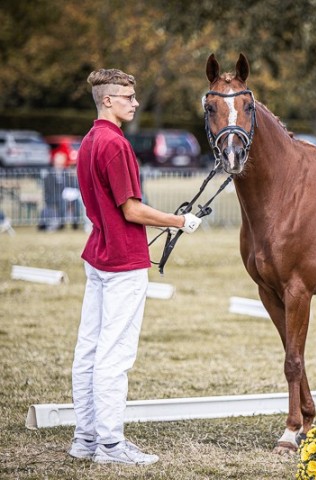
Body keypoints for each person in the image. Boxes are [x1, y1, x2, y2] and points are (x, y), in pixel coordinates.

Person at [69, 68, 202, 466]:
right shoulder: (114, 145)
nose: (135, 102)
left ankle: (85, 438)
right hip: (122, 260)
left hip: (98, 253)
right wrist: (181, 221)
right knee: (115, 355)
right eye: (127, 96)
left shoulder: (90, 140)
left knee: (89, 350)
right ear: (107, 100)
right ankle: (110, 447)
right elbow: (132, 209)